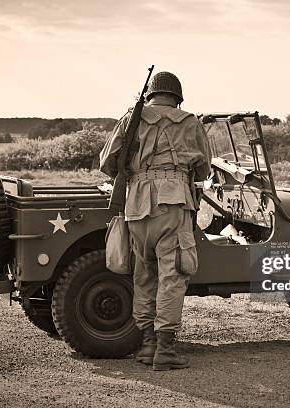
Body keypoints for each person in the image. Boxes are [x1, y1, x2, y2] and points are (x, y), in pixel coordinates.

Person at [100, 71, 212, 371]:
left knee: (144, 276)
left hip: (136, 206)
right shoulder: (189, 121)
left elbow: (107, 163)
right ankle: (165, 349)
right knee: (173, 275)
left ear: (149, 95)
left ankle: (148, 345)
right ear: (177, 96)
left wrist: (137, 172)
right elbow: (204, 171)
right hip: (173, 204)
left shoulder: (130, 119)